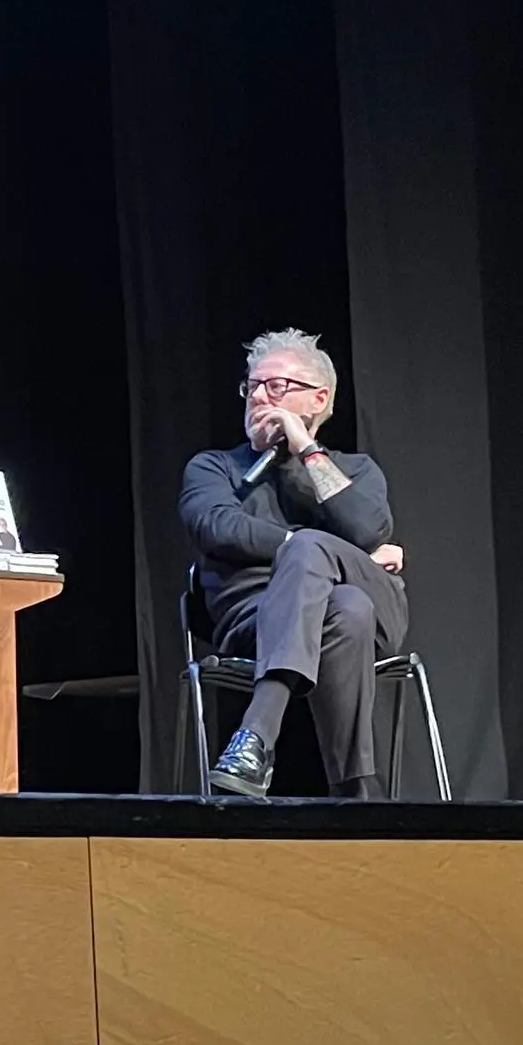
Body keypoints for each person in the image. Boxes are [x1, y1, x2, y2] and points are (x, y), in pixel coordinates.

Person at [179, 327, 411, 800]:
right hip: (256, 617)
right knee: (346, 606)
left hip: (382, 613)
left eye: (277, 386)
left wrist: (305, 449)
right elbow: (216, 527)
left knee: (325, 566)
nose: (259, 396)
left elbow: (368, 531)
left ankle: (256, 737)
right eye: (253, 386)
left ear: (318, 399)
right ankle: (358, 793)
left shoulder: (358, 470)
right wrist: (313, 546)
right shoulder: (213, 468)